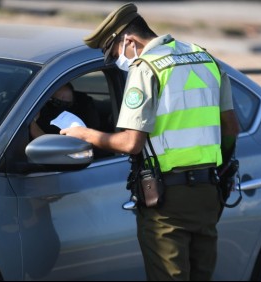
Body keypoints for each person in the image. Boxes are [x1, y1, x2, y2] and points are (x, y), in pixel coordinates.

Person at [60, 2, 240, 281]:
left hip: (168, 201)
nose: (118, 60)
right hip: (208, 193)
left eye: (115, 52)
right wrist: (222, 167)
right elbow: (231, 127)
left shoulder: (146, 69)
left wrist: (84, 134)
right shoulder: (204, 57)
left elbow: (132, 143)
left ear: (129, 41)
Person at [30, 82, 101, 139]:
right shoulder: (45, 111)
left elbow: (46, 144)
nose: (61, 99)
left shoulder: (84, 107)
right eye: (55, 100)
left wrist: (32, 122)